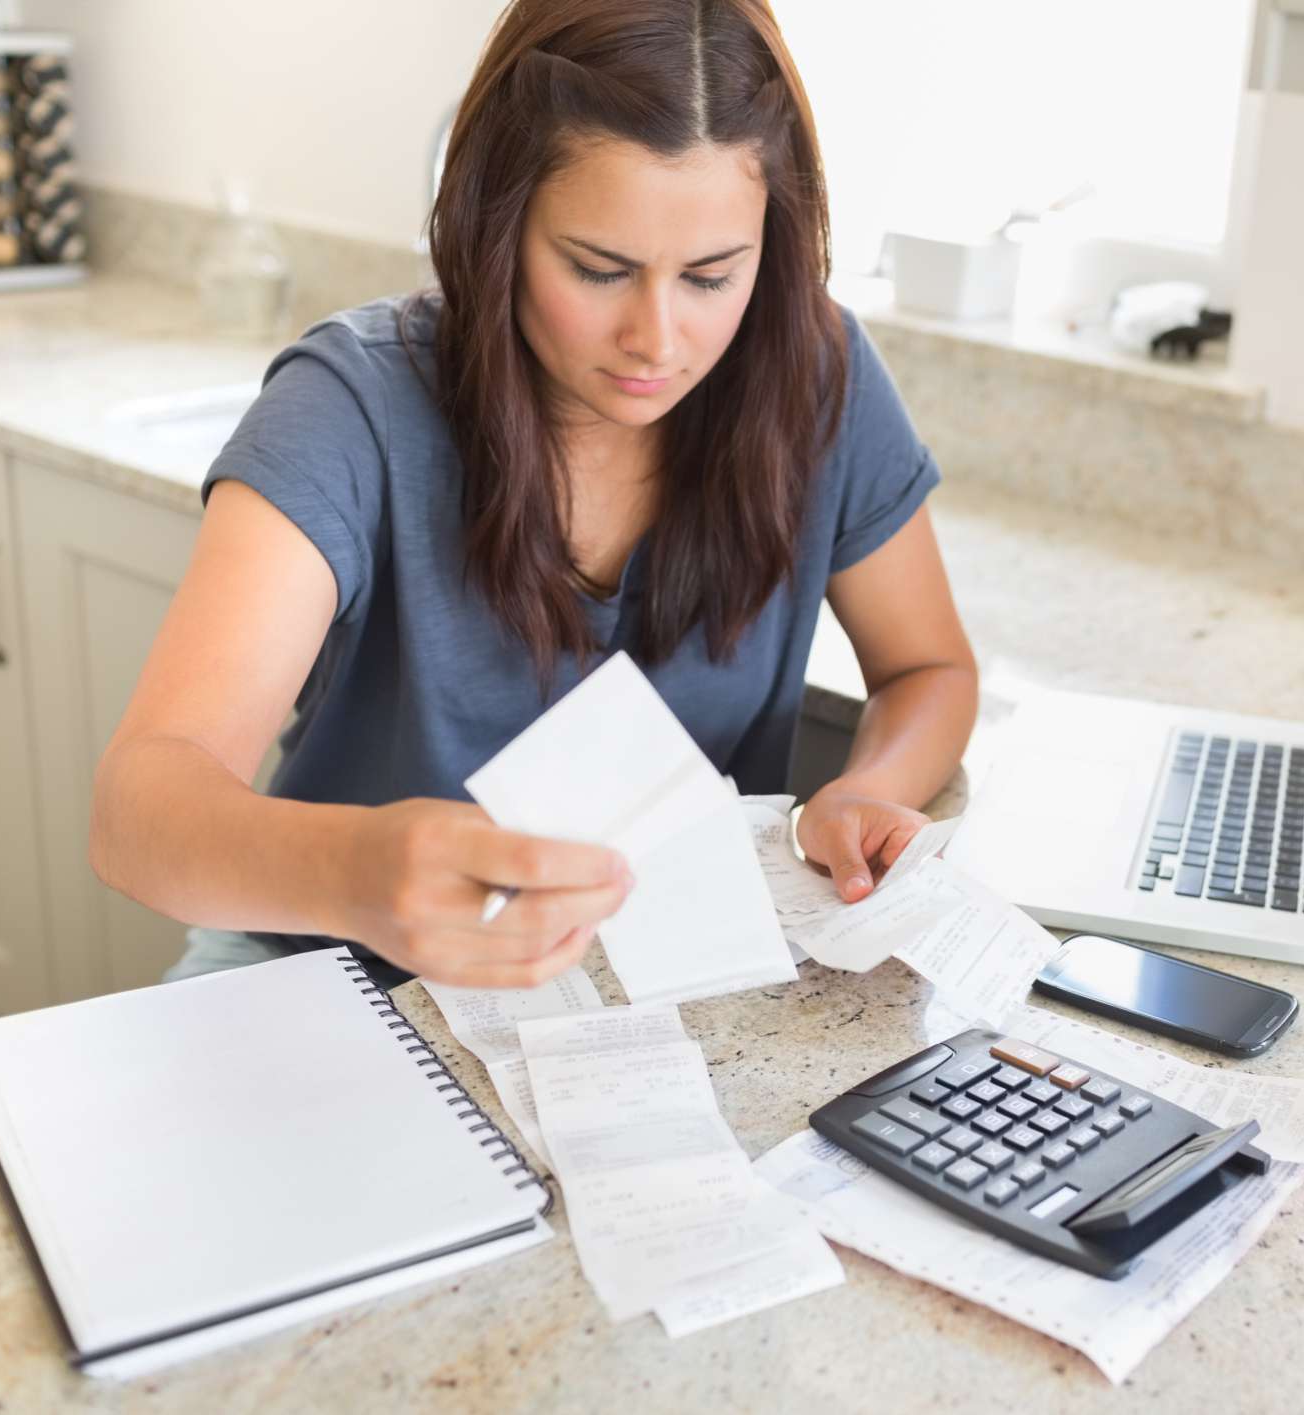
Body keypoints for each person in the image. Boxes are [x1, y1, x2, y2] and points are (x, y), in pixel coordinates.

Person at [89, 0, 978, 991]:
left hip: (663, 989)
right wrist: (356, 871)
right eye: (598, 268)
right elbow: (138, 810)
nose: (657, 337)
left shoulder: (818, 376)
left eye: (711, 275)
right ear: (495, 221)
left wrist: (863, 791)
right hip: (334, 976)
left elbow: (928, 668)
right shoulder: (350, 407)